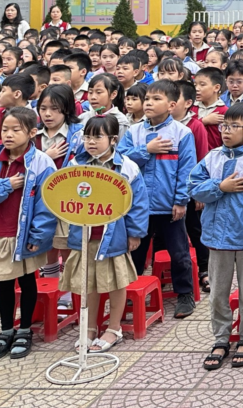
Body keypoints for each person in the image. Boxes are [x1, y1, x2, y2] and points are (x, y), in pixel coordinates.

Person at [189, 102, 243, 371]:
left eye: (234, 126)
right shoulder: (212, 158)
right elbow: (194, 188)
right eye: (224, 125)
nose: (226, 131)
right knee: (218, 293)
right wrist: (220, 186)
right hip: (217, 239)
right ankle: (221, 339)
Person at [0, 106, 58, 361]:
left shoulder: (41, 162)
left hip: (23, 234)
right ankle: (6, 330)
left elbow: (47, 203)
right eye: (4, 130)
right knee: (5, 283)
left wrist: (38, 236)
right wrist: (5, 185)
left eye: (15, 130)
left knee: (28, 281)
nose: (8, 135)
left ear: (32, 132)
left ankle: (25, 330)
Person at [62, 114, 149, 353]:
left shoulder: (127, 166)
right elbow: (64, 195)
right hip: (85, 235)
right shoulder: (75, 164)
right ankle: (90, 327)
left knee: (115, 282)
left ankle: (113, 328)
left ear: (113, 140)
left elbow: (138, 203)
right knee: (88, 282)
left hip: (114, 236)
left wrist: (135, 233)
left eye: (97, 137)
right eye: (87, 137)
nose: (91, 142)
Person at [118, 79, 198, 318]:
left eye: (156, 99)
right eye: (147, 99)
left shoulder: (182, 133)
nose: (149, 103)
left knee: (179, 252)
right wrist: (146, 150)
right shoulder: (134, 131)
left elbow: (187, 170)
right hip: (138, 207)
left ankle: (185, 294)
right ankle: (131, 293)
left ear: (172, 105)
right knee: (135, 252)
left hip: (168, 205)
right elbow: (120, 160)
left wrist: (181, 201)